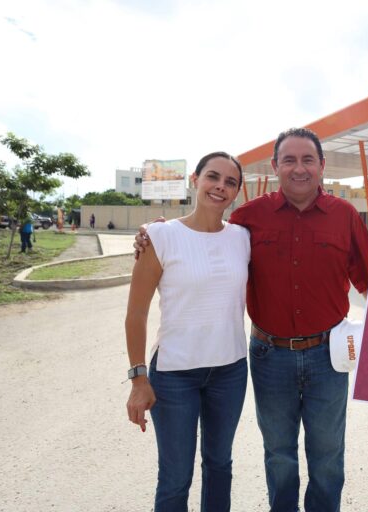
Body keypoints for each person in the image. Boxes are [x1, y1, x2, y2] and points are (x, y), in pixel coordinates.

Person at [136, 128, 368, 511]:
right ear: (276, 166)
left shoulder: (344, 216)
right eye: (289, 160)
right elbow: (205, 232)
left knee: (328, 455)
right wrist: (156, 234)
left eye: (308, 159)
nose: (299, 168)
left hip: (327, 357)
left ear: (322, 166)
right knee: (279, 455)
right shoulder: (248, 218)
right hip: (270, 356)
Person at [126, 151, 250, 511]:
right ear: (195, 180)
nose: (220, 186)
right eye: (213, 177)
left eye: (230, 182)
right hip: (174, 375)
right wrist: (138, 379)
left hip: (230, 370)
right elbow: (136, 313)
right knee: (176, 476)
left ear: (237, 192)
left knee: (220, 465)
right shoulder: (159, 236)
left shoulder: (243, 237)